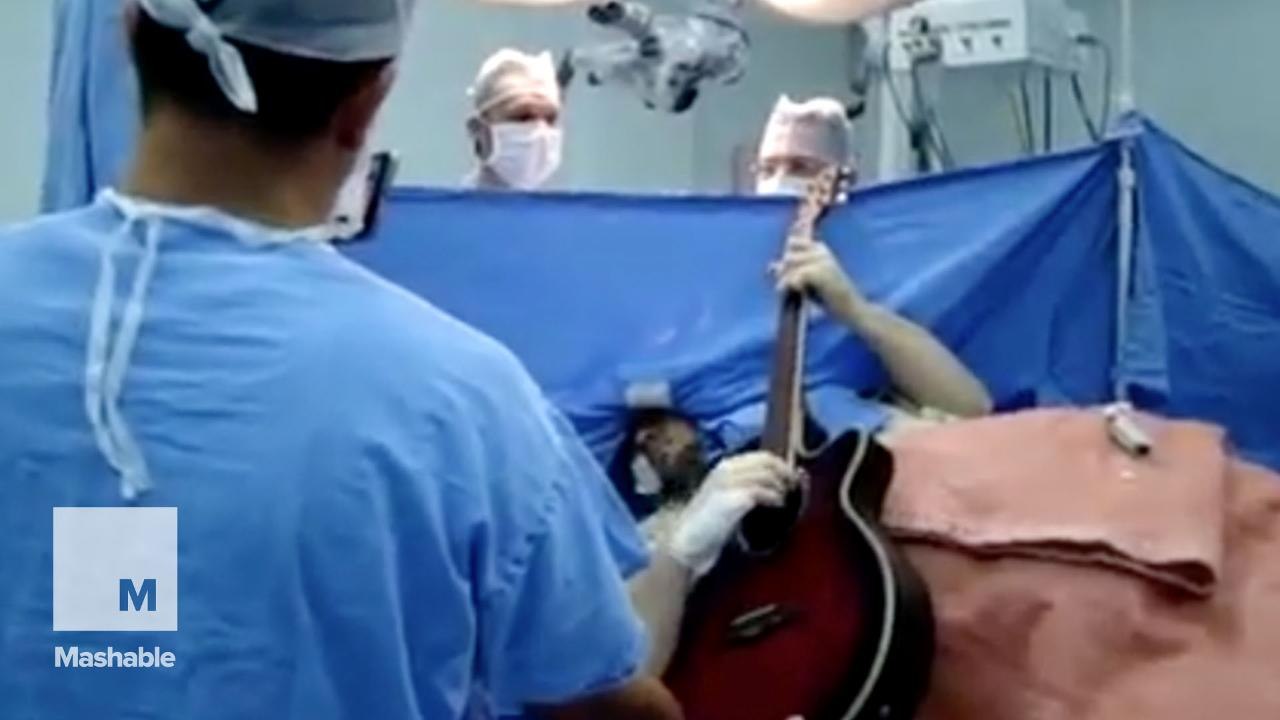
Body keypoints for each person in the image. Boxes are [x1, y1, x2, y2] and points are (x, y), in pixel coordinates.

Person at [0, 2, 680, 719]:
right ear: (368, 101)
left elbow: (113, 640)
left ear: (129, 31)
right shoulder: (466, 403)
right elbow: (599, 703)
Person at [465, 48, 564, 191]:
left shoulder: (565, 211)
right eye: (523, 118)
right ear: (478, 131)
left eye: (550, 119)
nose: (540, 131)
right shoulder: (454, 211)